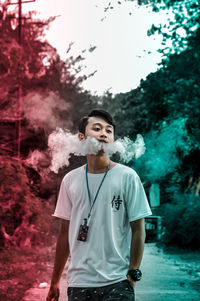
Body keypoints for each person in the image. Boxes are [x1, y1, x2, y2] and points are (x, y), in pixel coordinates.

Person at [46, 109, 152, 301]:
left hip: (118, 282)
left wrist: (133, 274)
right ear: (81, 137)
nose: (104, 133)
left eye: (109, 130)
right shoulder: (70, 180)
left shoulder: (128, 177)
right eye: (97, 128)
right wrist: (54, 282)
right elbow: (64, 234)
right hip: (79, 283)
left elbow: (138, 229)